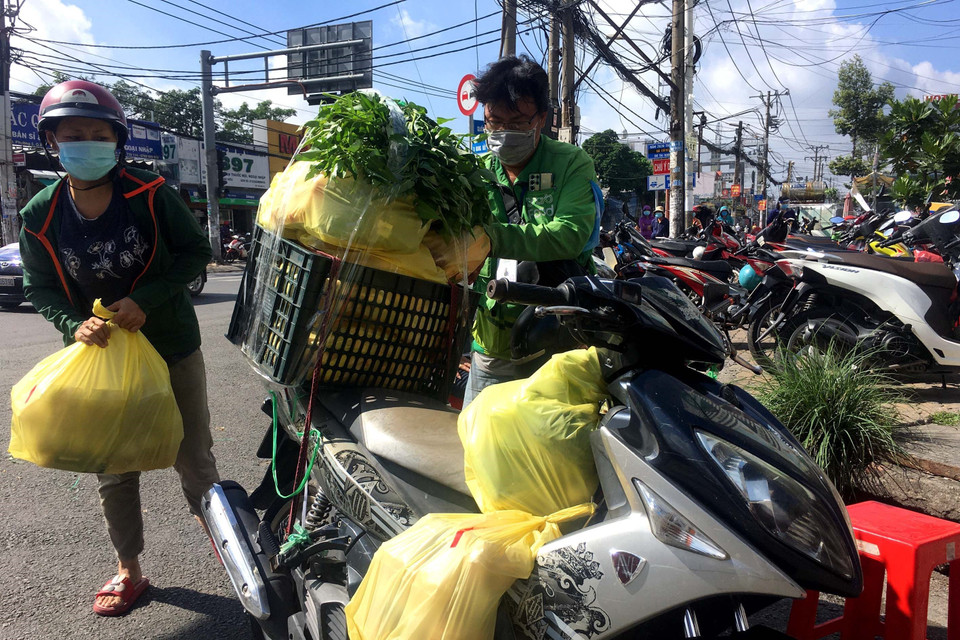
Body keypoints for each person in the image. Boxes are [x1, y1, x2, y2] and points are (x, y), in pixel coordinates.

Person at [18, 80, 220, 617]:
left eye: (98, 134)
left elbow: (195, 252)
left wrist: (145, 300)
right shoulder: (40, 214)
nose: (86, 143)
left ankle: (232, 553)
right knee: (113, 466)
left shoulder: (149, 194)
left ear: (117, 141)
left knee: (194, 461)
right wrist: (74, 323)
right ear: (51, 142)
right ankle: (129, 570)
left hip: (171, 348)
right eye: (72, 135)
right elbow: (39, 288)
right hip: (101, 359)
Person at [460, 55, 599, 406]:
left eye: (518, 122)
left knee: (554, 436)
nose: (504, 132)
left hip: (557, 342)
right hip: (493, 343)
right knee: (478, 436)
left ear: (542, 118)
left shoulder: (570, 163)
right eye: (494, 122)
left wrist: (491, 238)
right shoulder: (476, 172)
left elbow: (569, 235)